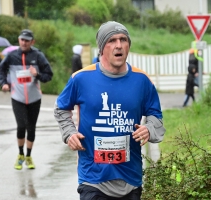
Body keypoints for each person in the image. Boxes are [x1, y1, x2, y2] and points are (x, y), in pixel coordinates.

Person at [54, 21, 166, 199]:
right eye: (112, 40)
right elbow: (61, 109)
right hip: (93, 179)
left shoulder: (142, 80)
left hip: (130, 179)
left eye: (123, 39)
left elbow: (155, 115)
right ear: (101, 48)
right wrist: (69, 133)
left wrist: (149, 129)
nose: (119, 45)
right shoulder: (81, 78)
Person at [0, 29, 53, 170]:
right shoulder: (11, 56)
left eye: (27, 40)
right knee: (21, 125)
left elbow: (49, 75)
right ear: (19, 40)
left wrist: (38, 74)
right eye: (22, 40)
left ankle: (28, 156)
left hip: (34, 98)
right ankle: (20, 154)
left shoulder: (38, 56)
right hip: (17, 97)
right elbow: (2, 69)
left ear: (32, 42)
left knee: (31, 127)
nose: (24, 42)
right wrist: (4, 83)